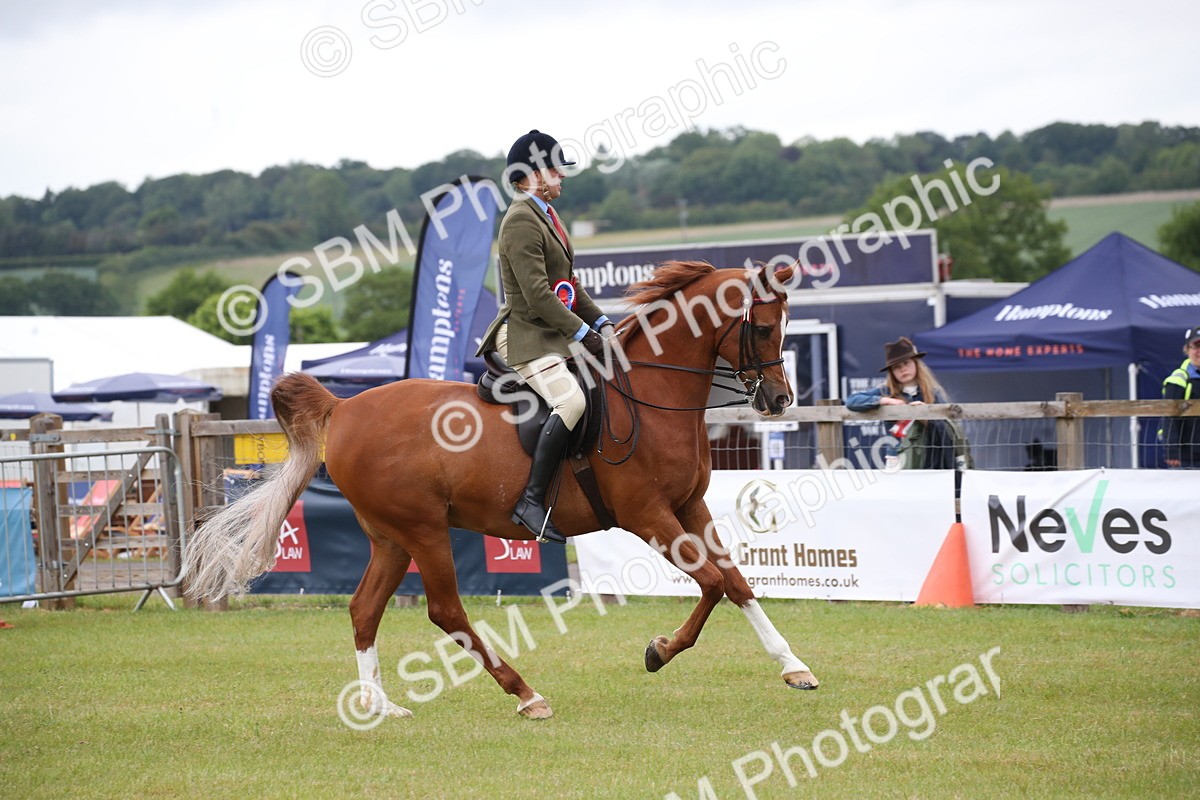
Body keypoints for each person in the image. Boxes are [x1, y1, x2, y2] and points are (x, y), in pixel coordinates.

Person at [476, 130, 614, 543]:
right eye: (555, 169)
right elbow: (536, 296)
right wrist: (584, 335)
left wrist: (605, 323)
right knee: (570, 400)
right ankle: (531, 502)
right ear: (532, 175)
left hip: (550, 331)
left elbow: (567, 286)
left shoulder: (548, 216)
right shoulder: (519, 219)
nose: (561, 177)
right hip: (522, 334)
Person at [846, 336, 970, 470]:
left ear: (916, 363)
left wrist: (927, 414)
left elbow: (947, 425)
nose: (902, 369)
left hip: (930, 454)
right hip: (897, 456)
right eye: (896, 367)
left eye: (907, 363)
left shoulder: (933, 392)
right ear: (892, 372)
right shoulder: (885, 391)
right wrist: (886, 400)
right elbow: (852, 401)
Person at [1161, 325, 1200, 469]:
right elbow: (1169, 416)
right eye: (1196, 346)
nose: (1199, 351)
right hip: (1188, 457)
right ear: (1187, 350)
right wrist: (1171, 450)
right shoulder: (1178, 379)